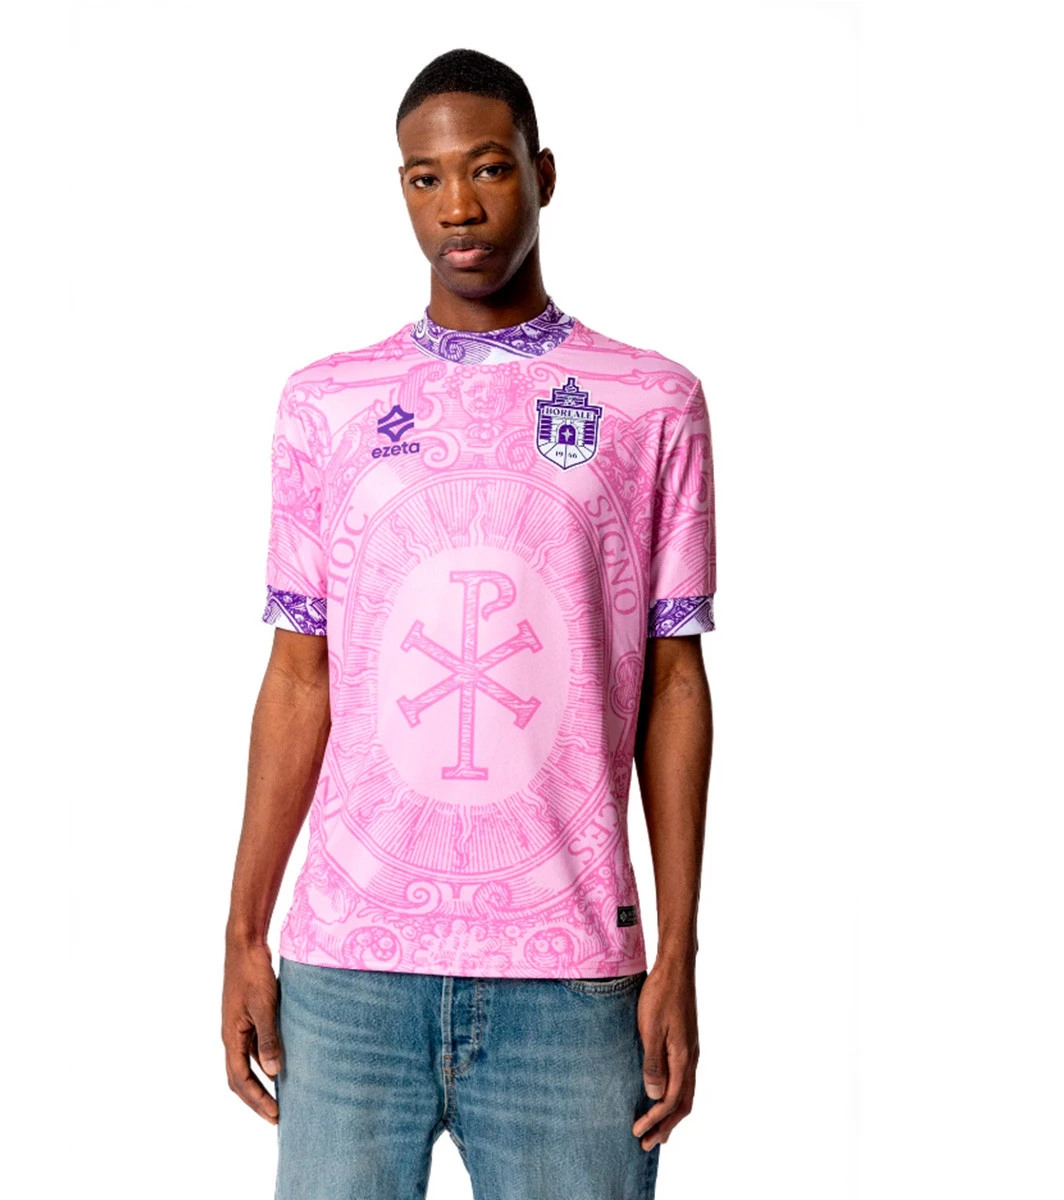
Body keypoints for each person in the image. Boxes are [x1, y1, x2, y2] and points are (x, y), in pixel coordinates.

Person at [222, 46, 717, 1200]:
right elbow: (300, 676)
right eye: (425, 178)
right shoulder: (327, 405)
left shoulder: (651, 403)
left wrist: (679, 950)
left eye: (488, 169)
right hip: (348, 970)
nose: (458, 206)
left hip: (570, 973)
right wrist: (245, 932)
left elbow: (672, 684)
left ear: (542, 175)